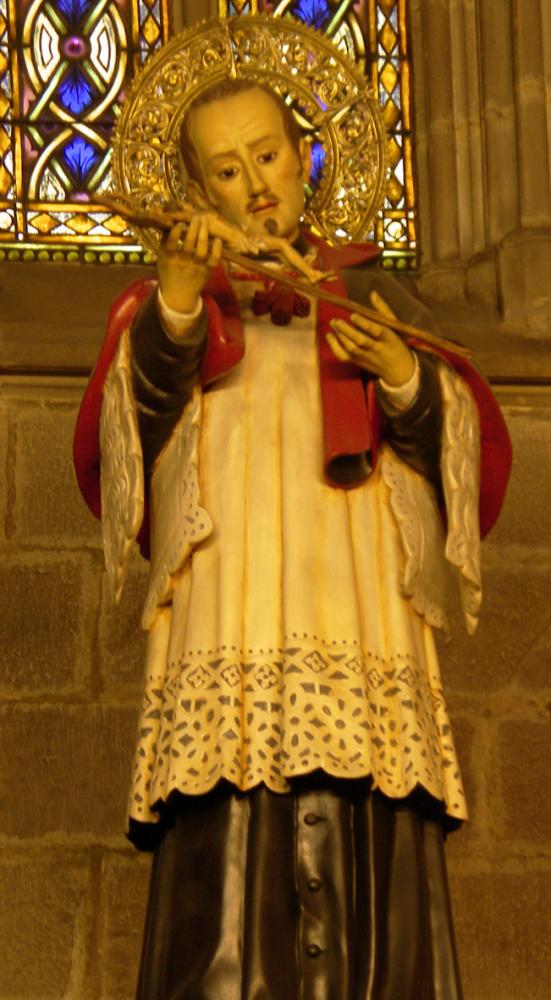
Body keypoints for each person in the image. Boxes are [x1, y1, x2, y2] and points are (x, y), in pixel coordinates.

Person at [74, 76, 511, 999]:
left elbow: (463, 455)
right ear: (199, 191)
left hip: (356, 614)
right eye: (226, 171)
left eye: (267, 155)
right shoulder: (177, 304)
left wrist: (401, 374)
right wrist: (177, 304)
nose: (256, 183)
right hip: (227, 612)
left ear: (306, 156)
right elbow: (122, 448)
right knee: (229, 840)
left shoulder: (375, 296)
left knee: (368, 825)